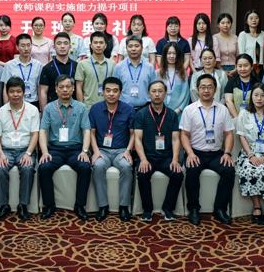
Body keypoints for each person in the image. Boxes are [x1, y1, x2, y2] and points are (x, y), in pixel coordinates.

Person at [180, 74, 236, 225]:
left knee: (229, 170)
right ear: (197, 90)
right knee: (192, 170)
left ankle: (220, 209)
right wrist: (190, 153)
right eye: (203, 87)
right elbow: (184, 135)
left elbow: (229, 134)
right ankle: (193, 208)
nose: (206, 90)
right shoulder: (189, 110)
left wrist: (227, 153)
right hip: (196, 152)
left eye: (210, 87)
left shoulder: (223, 110)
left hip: (216, 153)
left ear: (215, 90)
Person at [38, 75, 92, 221]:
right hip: (55, 149)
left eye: (68, 86)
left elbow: (86, 131)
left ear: (73, 88)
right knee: (44, 167)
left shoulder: (81, 107)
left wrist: (85, 151)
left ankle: (80, 205)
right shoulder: (49, 108)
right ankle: (49, 205)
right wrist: (45, 152)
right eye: (61, 87)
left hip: (76, 149)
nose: (65, 90)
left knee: (85, 167)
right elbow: (43, 131)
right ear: (56, 89)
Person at [134, 80, 183, 222]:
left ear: (165, 93)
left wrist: (175, 160)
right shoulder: (141, 114)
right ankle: (147, 209)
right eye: (154, 91)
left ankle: (168, 208)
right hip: (148, 156)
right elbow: (137, 139)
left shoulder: (172, 115)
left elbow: (176, 139)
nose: (157, 94)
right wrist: (143, 159)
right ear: (148, 94)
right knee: (143, 174)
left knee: (178, 174)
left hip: (166, 157)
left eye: (160, 91)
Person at [0, 77, 40, 221]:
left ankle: (23, 205)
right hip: (5, 150)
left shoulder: (32, 110)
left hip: (25, 149)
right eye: (12, 91)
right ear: (7, 93)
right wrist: (0, 154)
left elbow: (35, 135)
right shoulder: (0, 112)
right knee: (0, 168)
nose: (15, 94)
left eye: (18, 91)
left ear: (24, 92)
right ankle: (4, 205)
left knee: (27, 168)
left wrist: (28, 153)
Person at [88, 77, 135, 222]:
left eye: (115, 91)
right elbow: (91, 132)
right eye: (108, 90)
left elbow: (133, 133)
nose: (111, 94)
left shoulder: (128, 109)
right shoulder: (95, 109)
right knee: (97, 166)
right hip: (102, 150)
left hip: (122, 150)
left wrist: (128, 150)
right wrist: (95, 151)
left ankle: (123, 206)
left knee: (127, 167)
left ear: (120, 92)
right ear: (103, 91)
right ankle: (103, 206)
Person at [235, 83, 264, 226]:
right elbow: (242, 137)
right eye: (256, 95)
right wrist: (251, 155)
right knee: (249, 169)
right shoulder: (244, 114)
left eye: (262, 95)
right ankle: (256, 206)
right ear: (252, 97)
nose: (259, 98)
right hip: (248, 154)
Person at [112, 35, 158, 111]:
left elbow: (154, 89)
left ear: (142, 48)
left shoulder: (149, 67)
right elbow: (114, 89)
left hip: (145, 108)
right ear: (126, 49)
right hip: (123, 109)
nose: (133, 49)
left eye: (136, 46)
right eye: (130, 46)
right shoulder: (118, 67)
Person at [39, 32, 78, 115]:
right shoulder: (47, 68)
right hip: (53, 110)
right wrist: (44, 112)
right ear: (54, 47)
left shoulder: (76, 66)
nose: (62, 46)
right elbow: (43, 92)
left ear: (70, 47)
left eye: (65, 43)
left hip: (73, 110)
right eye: (59, 43)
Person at [0, 34, 44, 107]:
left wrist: (41, 109)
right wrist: (6, 107)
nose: (26, 49)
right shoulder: (9, 65)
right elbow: (5, 88)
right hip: (15, 103)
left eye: (28, 45)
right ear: (17, 47)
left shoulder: (38, 65)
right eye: (23, 46)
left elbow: (39, 88)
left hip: (33, 103)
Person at [75, 31, 115, 110]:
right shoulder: (82, 64)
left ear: (105, 45)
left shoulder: (112, 64)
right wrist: (82, 108)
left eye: (101, 43)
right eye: (95, 43)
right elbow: (78, 87)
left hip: (108, 107)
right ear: (91, 45)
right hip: (89, 107)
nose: (98, 45)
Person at [157, 42, 189, 115]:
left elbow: (186, 94)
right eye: (169, 53)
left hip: (178, 112)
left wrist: (179, 110)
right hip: (160, 112)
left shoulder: (183, 73)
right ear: (164, 55)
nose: (172, 56)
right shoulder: (158, 73)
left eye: (174, 53)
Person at [224, 54, 260, 119]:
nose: (243, 69)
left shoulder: (258, 83)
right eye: (240, 66)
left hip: (254, 119)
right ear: (236, 67)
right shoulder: (231, 82)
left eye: (246, 65)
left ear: (251, 67)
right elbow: (228, 101)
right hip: (235, 118)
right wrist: (237, 118)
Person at [238, 9, 264, 78]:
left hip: (260, 66)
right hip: (248, 66)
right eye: (251, 18)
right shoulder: (243, 35)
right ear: (246, 21)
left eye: (256, 18)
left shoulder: (263, 34)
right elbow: (242, 53)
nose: (254, 20)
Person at [213, 13, 238, 77]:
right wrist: (222, 71)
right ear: (218, 24)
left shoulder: (235, 37)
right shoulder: (214, 38)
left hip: (234, 68)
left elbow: (238, 56)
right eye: (223, 23)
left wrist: (235, 69)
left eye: (228, 23)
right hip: (219, 68)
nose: (225, 25)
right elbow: (214, 57)